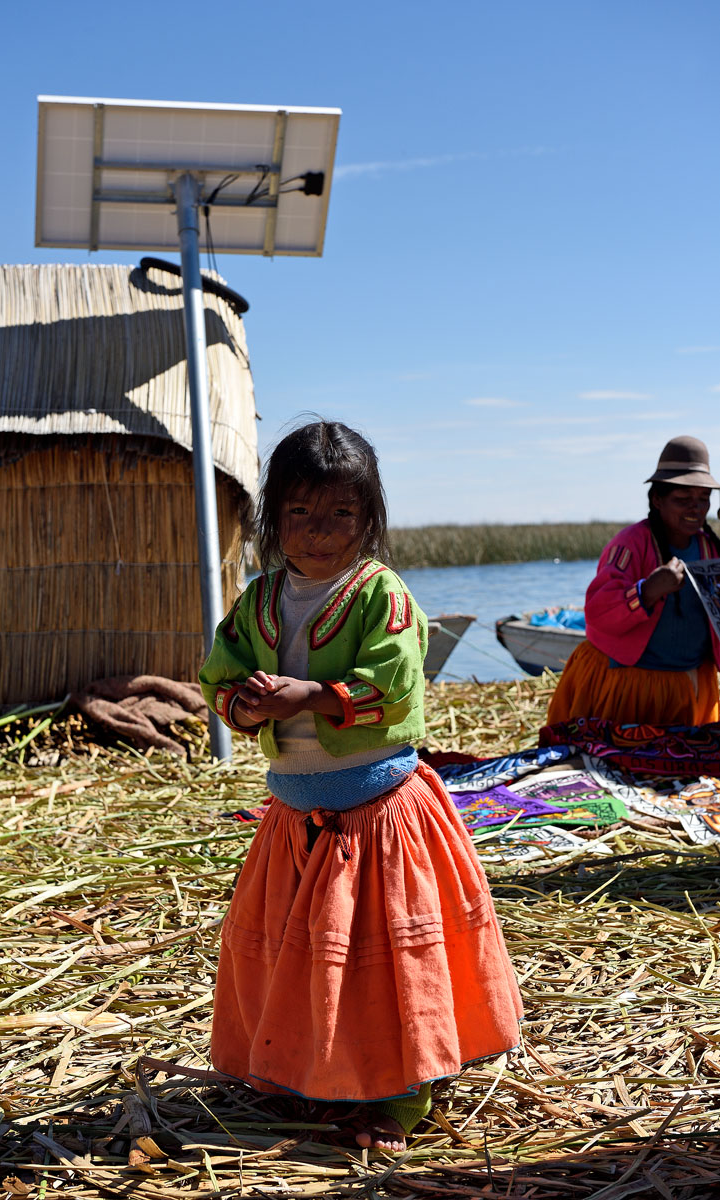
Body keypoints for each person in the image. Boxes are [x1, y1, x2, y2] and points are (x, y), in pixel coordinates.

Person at [199, 420, 523, 1152]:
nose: (319, 533)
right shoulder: (258, 601)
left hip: (378, 817)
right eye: (299, 515)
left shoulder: (381, 594)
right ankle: (322, 1077)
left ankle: (399, 1097)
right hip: (296, 817)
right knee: (308, 958)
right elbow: (219, 675)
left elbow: (396, 683)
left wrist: (305, 697)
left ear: (368, 518)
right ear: (271, 519)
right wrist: (246, 705)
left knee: (386, 965)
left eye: (340, 514)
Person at [548, 435, 720, 727]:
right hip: (626, 685)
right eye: (682, 500)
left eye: (703, 499)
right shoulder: (630, 545)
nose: (696, 509)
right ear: (657, 500)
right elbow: (598, 613)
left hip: (687, 686)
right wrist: (647, 591)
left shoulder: (710, 548)